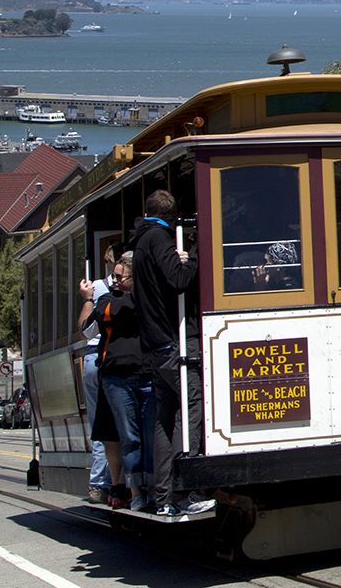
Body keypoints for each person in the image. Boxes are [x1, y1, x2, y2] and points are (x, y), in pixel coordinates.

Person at [131, 190, 214, 516]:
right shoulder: (158, 238)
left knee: (165, 420)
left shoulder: (140, 242)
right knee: (191, 407)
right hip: (171, 343)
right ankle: (183, 492)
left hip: (153, 345)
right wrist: (195, 253)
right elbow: (178, 280)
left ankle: (164, 496)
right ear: (171, 216)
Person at [90, 253, 156, 512]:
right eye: (114, 276)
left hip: (148, 375)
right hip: (117, 379)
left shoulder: (146, 296)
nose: (114, 281)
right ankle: (135, 491)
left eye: (120, 276)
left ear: (134, 277)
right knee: (129, 438)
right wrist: (140, 297)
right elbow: (107, 313)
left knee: (150, 436)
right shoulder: (108, 298)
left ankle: (153, 489)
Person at [75, 244, 117, 504]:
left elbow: (84, 328)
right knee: (117, 423)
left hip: (94, 358)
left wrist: (87, 298)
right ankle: (114, 482)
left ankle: (98, 485)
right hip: (106, 358)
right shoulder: (122, 288)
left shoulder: (96, 287)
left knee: (100, 424)